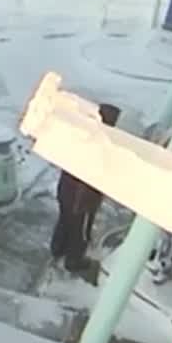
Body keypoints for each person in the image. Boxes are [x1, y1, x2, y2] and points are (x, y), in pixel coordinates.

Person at [50, 103, 114, 272]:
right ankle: (74, 260)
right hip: (83, 200)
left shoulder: (82, 138)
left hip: (66, 191)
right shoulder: (102, 147)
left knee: (64, 220)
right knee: (80, 232)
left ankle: (58, 248)